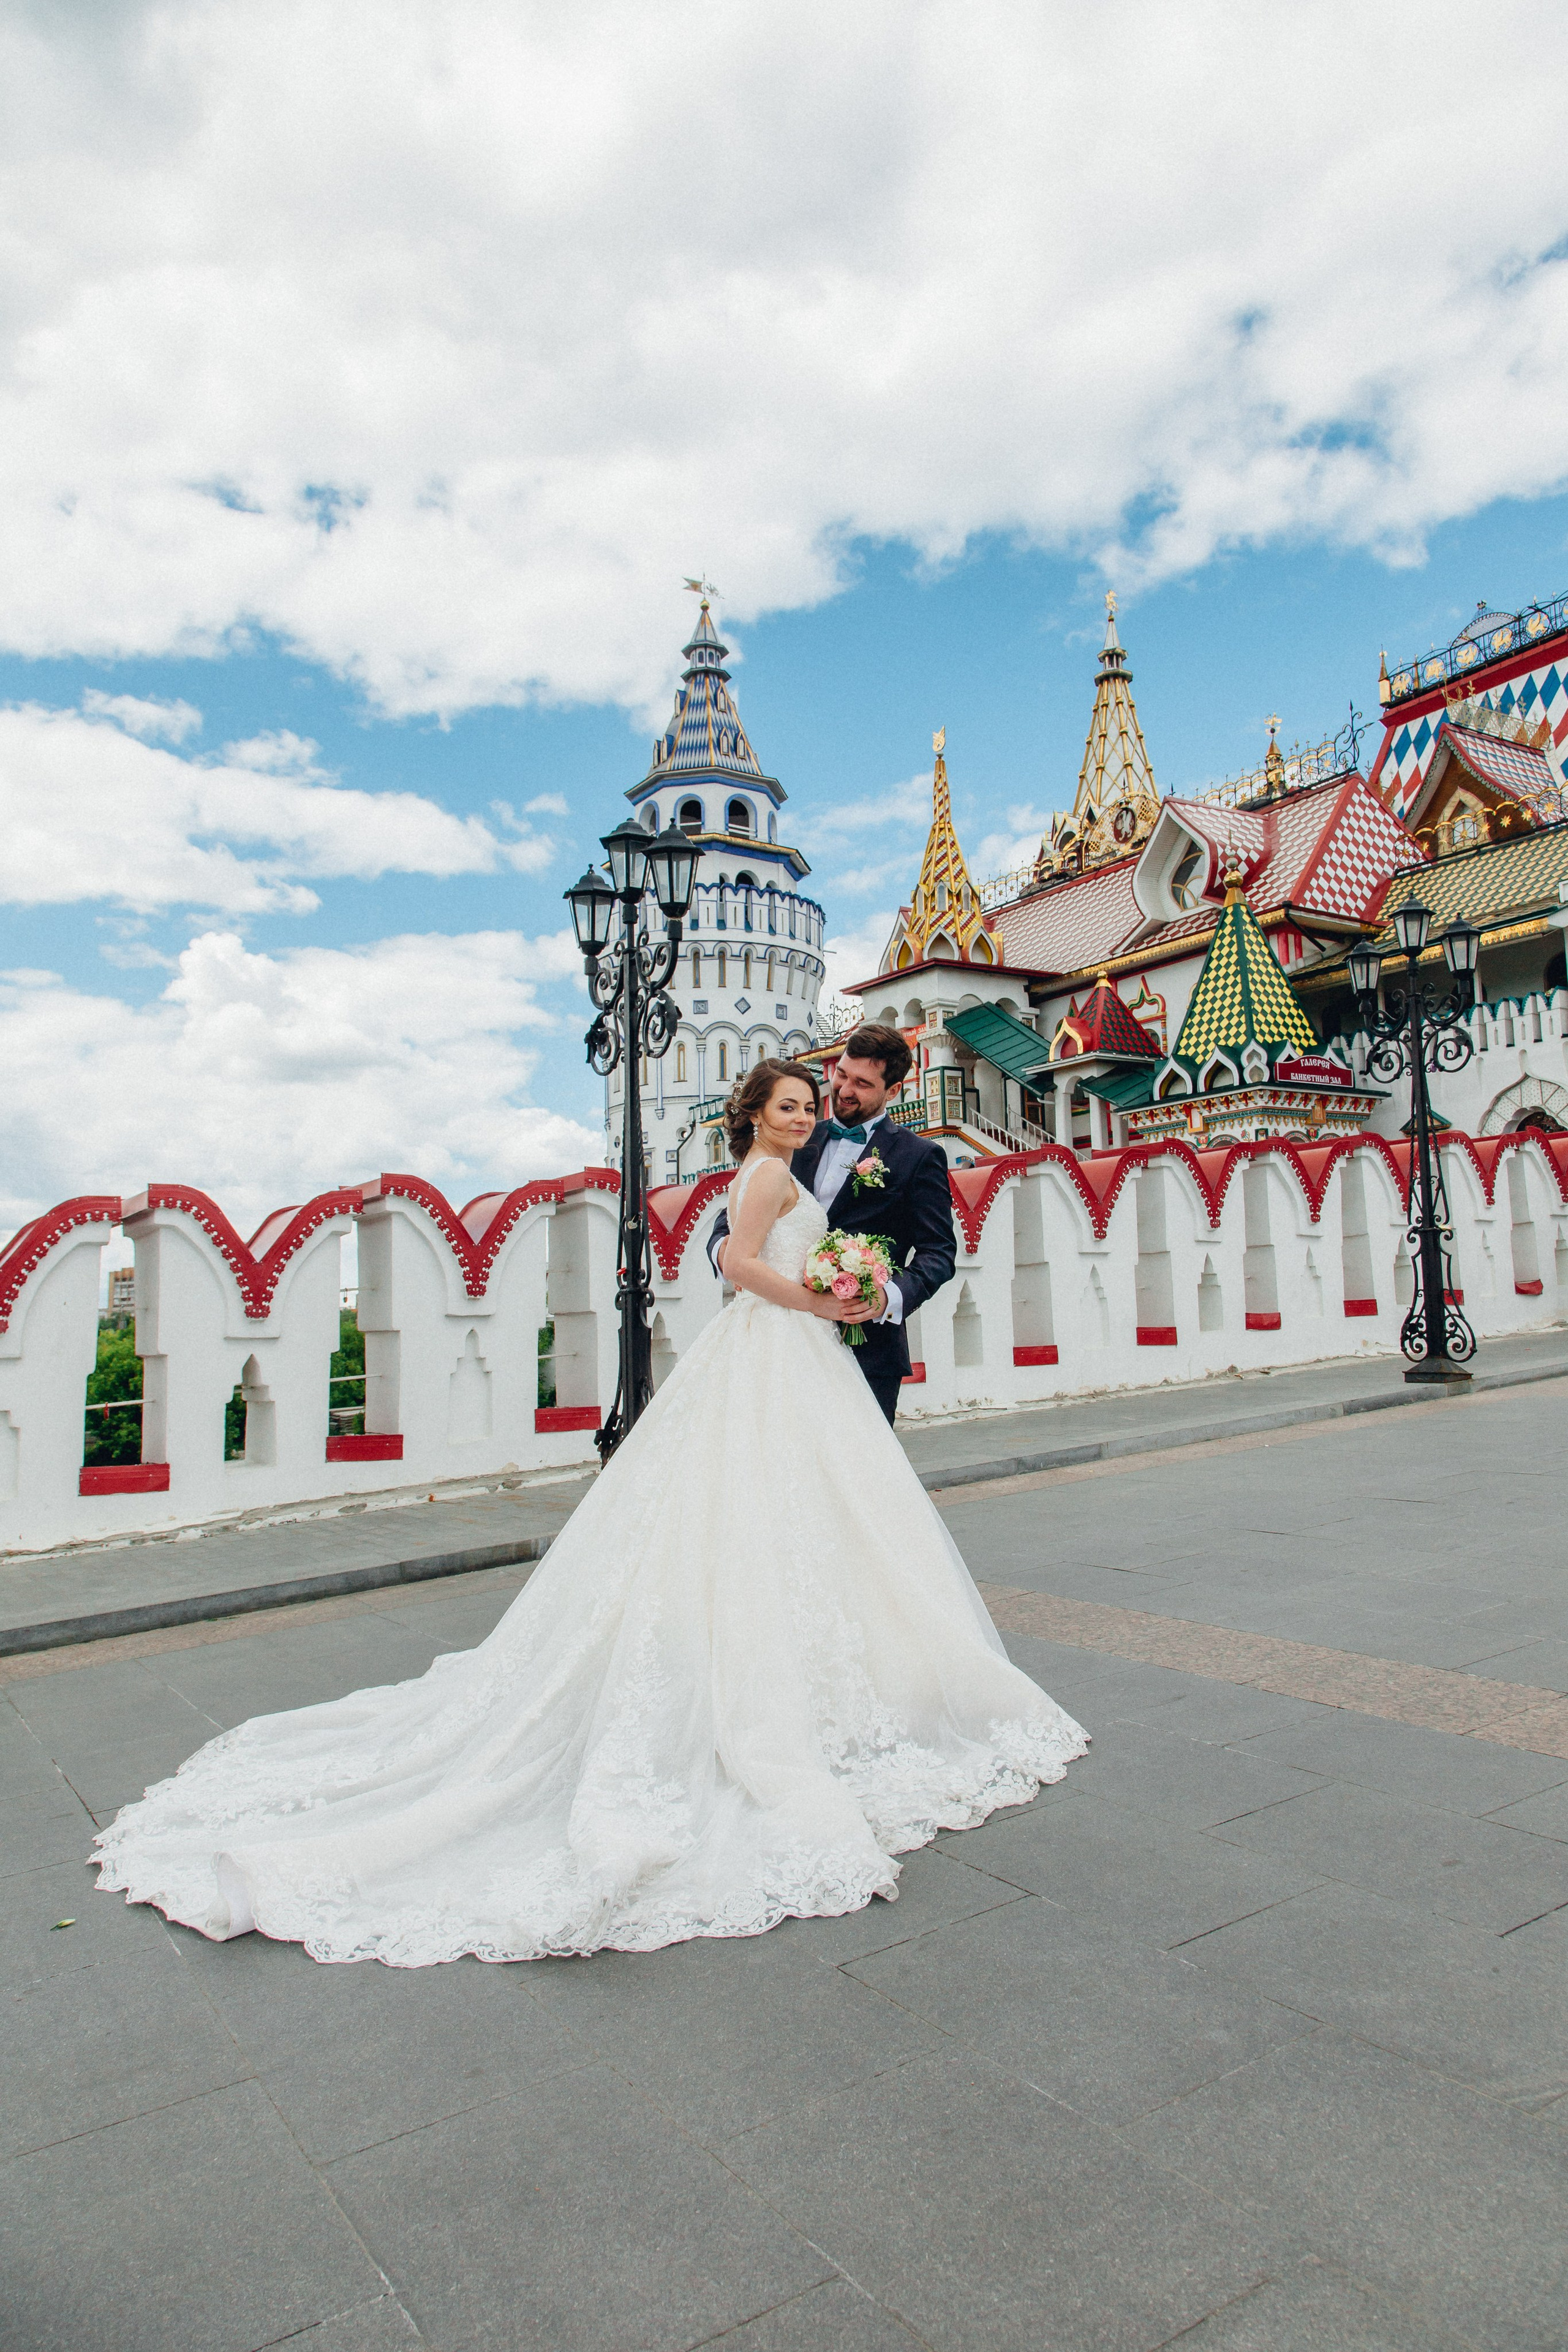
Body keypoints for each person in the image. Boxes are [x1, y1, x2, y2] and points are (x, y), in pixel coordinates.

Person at [93, 1059, 1087, 1967]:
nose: (809, 1111)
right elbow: (738, 1267)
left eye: (813, 1102)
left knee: (812, 1516)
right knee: (758, 1511)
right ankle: (774, 1685)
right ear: (756, 1116)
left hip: (805, 1359)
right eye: (790, 1103)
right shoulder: (766, 1175)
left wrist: (860, 1292)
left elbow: (885, 1253)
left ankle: (827, 1667)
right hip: (784, 1346)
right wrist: (821, 1300)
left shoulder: (836, 1165)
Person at [707, 1023, 955, 1426]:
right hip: (782, 1343)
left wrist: (885, 1298)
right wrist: (730, 1258)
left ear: (892, 1091)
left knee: (858, 1473)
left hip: (869, 1347)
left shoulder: (919, 1156)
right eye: (841, 1074)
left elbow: (939, 1253)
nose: (844, 1089)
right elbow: (732, 1220)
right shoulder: (797, 1135)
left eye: (862, 1083)